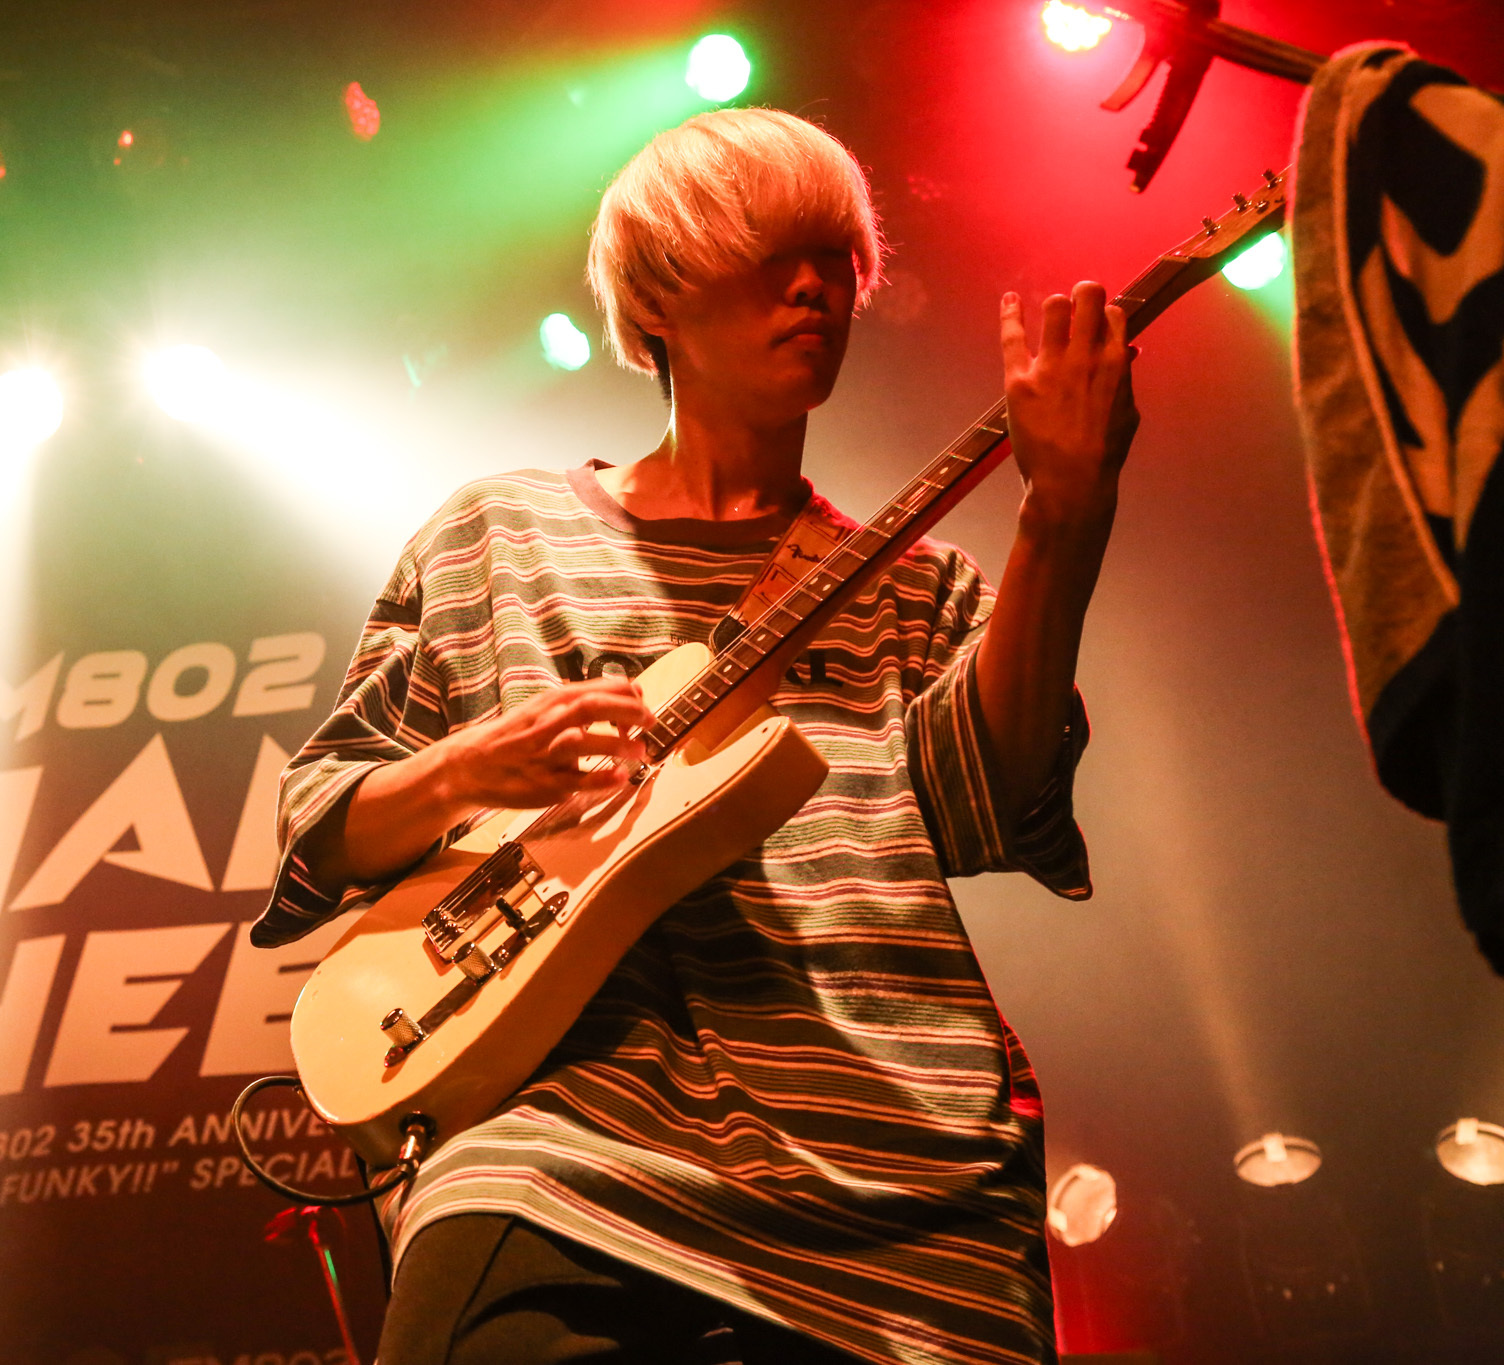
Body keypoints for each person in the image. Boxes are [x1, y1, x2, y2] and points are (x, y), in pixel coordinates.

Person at [253, 107, 1137, 1365]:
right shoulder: (496, 537)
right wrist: (470, 765)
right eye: (768, 254)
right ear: (655, 297)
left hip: (894, 1189)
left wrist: (1062, 517)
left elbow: (985, 809)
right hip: (555, 1151)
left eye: (833, 259)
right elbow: (322, 818)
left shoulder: (919, 585)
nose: (813, 287)